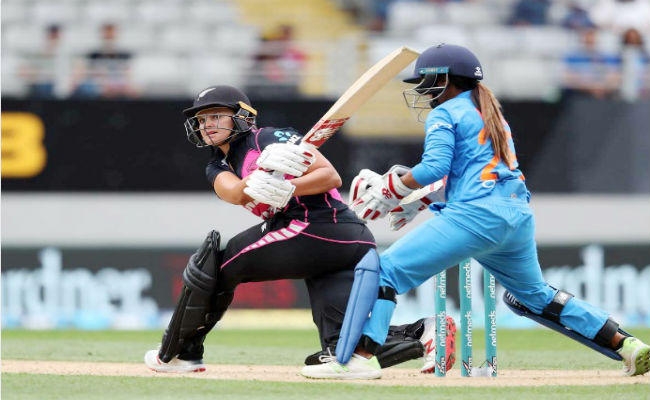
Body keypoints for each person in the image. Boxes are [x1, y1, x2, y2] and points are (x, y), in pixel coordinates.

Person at [300, 44, 650, 379]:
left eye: (426, 81)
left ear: (445, 79)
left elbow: (434, 167)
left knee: (384, 271)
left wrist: (393, 189)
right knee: (535, 296)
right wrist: (421, 200)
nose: (422, 90)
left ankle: (358, 359)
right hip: (515, 216)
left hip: (475, 216)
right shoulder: (490, 113)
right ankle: (626, 345)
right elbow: (468, 172)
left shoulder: (445, 113)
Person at [143, 85, 455, 373]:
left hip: (316, 224)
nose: (206, 124)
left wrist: (289, 187)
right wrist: (259, 179)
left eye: (215, 116)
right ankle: (424, 332)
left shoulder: (268, 138)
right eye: (201, 120)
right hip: (341, 242)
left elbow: (330, 177)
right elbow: (234, 192)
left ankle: (182, 354)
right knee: (342, 349)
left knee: (216, 266)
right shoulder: (217, 165)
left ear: (241, 116)